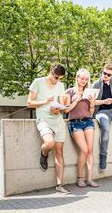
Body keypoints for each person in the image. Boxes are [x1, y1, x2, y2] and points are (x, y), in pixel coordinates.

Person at [27, 63, 70, 194]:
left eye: (60, 78)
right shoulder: (38, 82)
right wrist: (45, 102)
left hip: (57, 121)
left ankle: (59, 185)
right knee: (49, 143)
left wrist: (58, 111)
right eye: (56, 77)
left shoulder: (61, 86)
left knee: (59, 152)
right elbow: (29, 103)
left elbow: (62, 106)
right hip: (43, 120)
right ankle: (44, 153)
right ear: (51, 72)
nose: (57, 80)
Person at [63, 68, 99, 188]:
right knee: (83, 150)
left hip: (88, 121)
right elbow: (66, 109)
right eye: (82, 78)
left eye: (86, 79)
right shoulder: (70, 91)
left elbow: (91, 112)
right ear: (77, 78)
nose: (83, 81)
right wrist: (78, 99)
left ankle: (89, 179)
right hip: (75, 123)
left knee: (90, 150)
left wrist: (92, 103)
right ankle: (80, 178)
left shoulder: (89, 92)